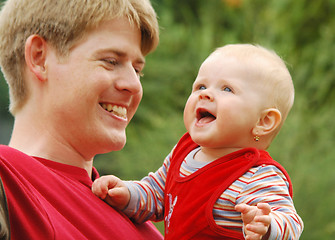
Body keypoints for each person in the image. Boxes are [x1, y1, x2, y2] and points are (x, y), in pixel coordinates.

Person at [92, 44, 304, 239]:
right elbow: (156, 195)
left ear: (263, 121)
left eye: (227, 89)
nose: (206, 95)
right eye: (201, 86)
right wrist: (127, 194)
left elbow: (291, 223)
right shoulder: (183, 153)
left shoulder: (255, 175)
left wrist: (267, 226)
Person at [0, 0, 163, 239]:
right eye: (111, 61)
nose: (134, 85)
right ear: (39, 57)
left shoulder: (134, 210)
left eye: (137, 70)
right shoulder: (8, 180)